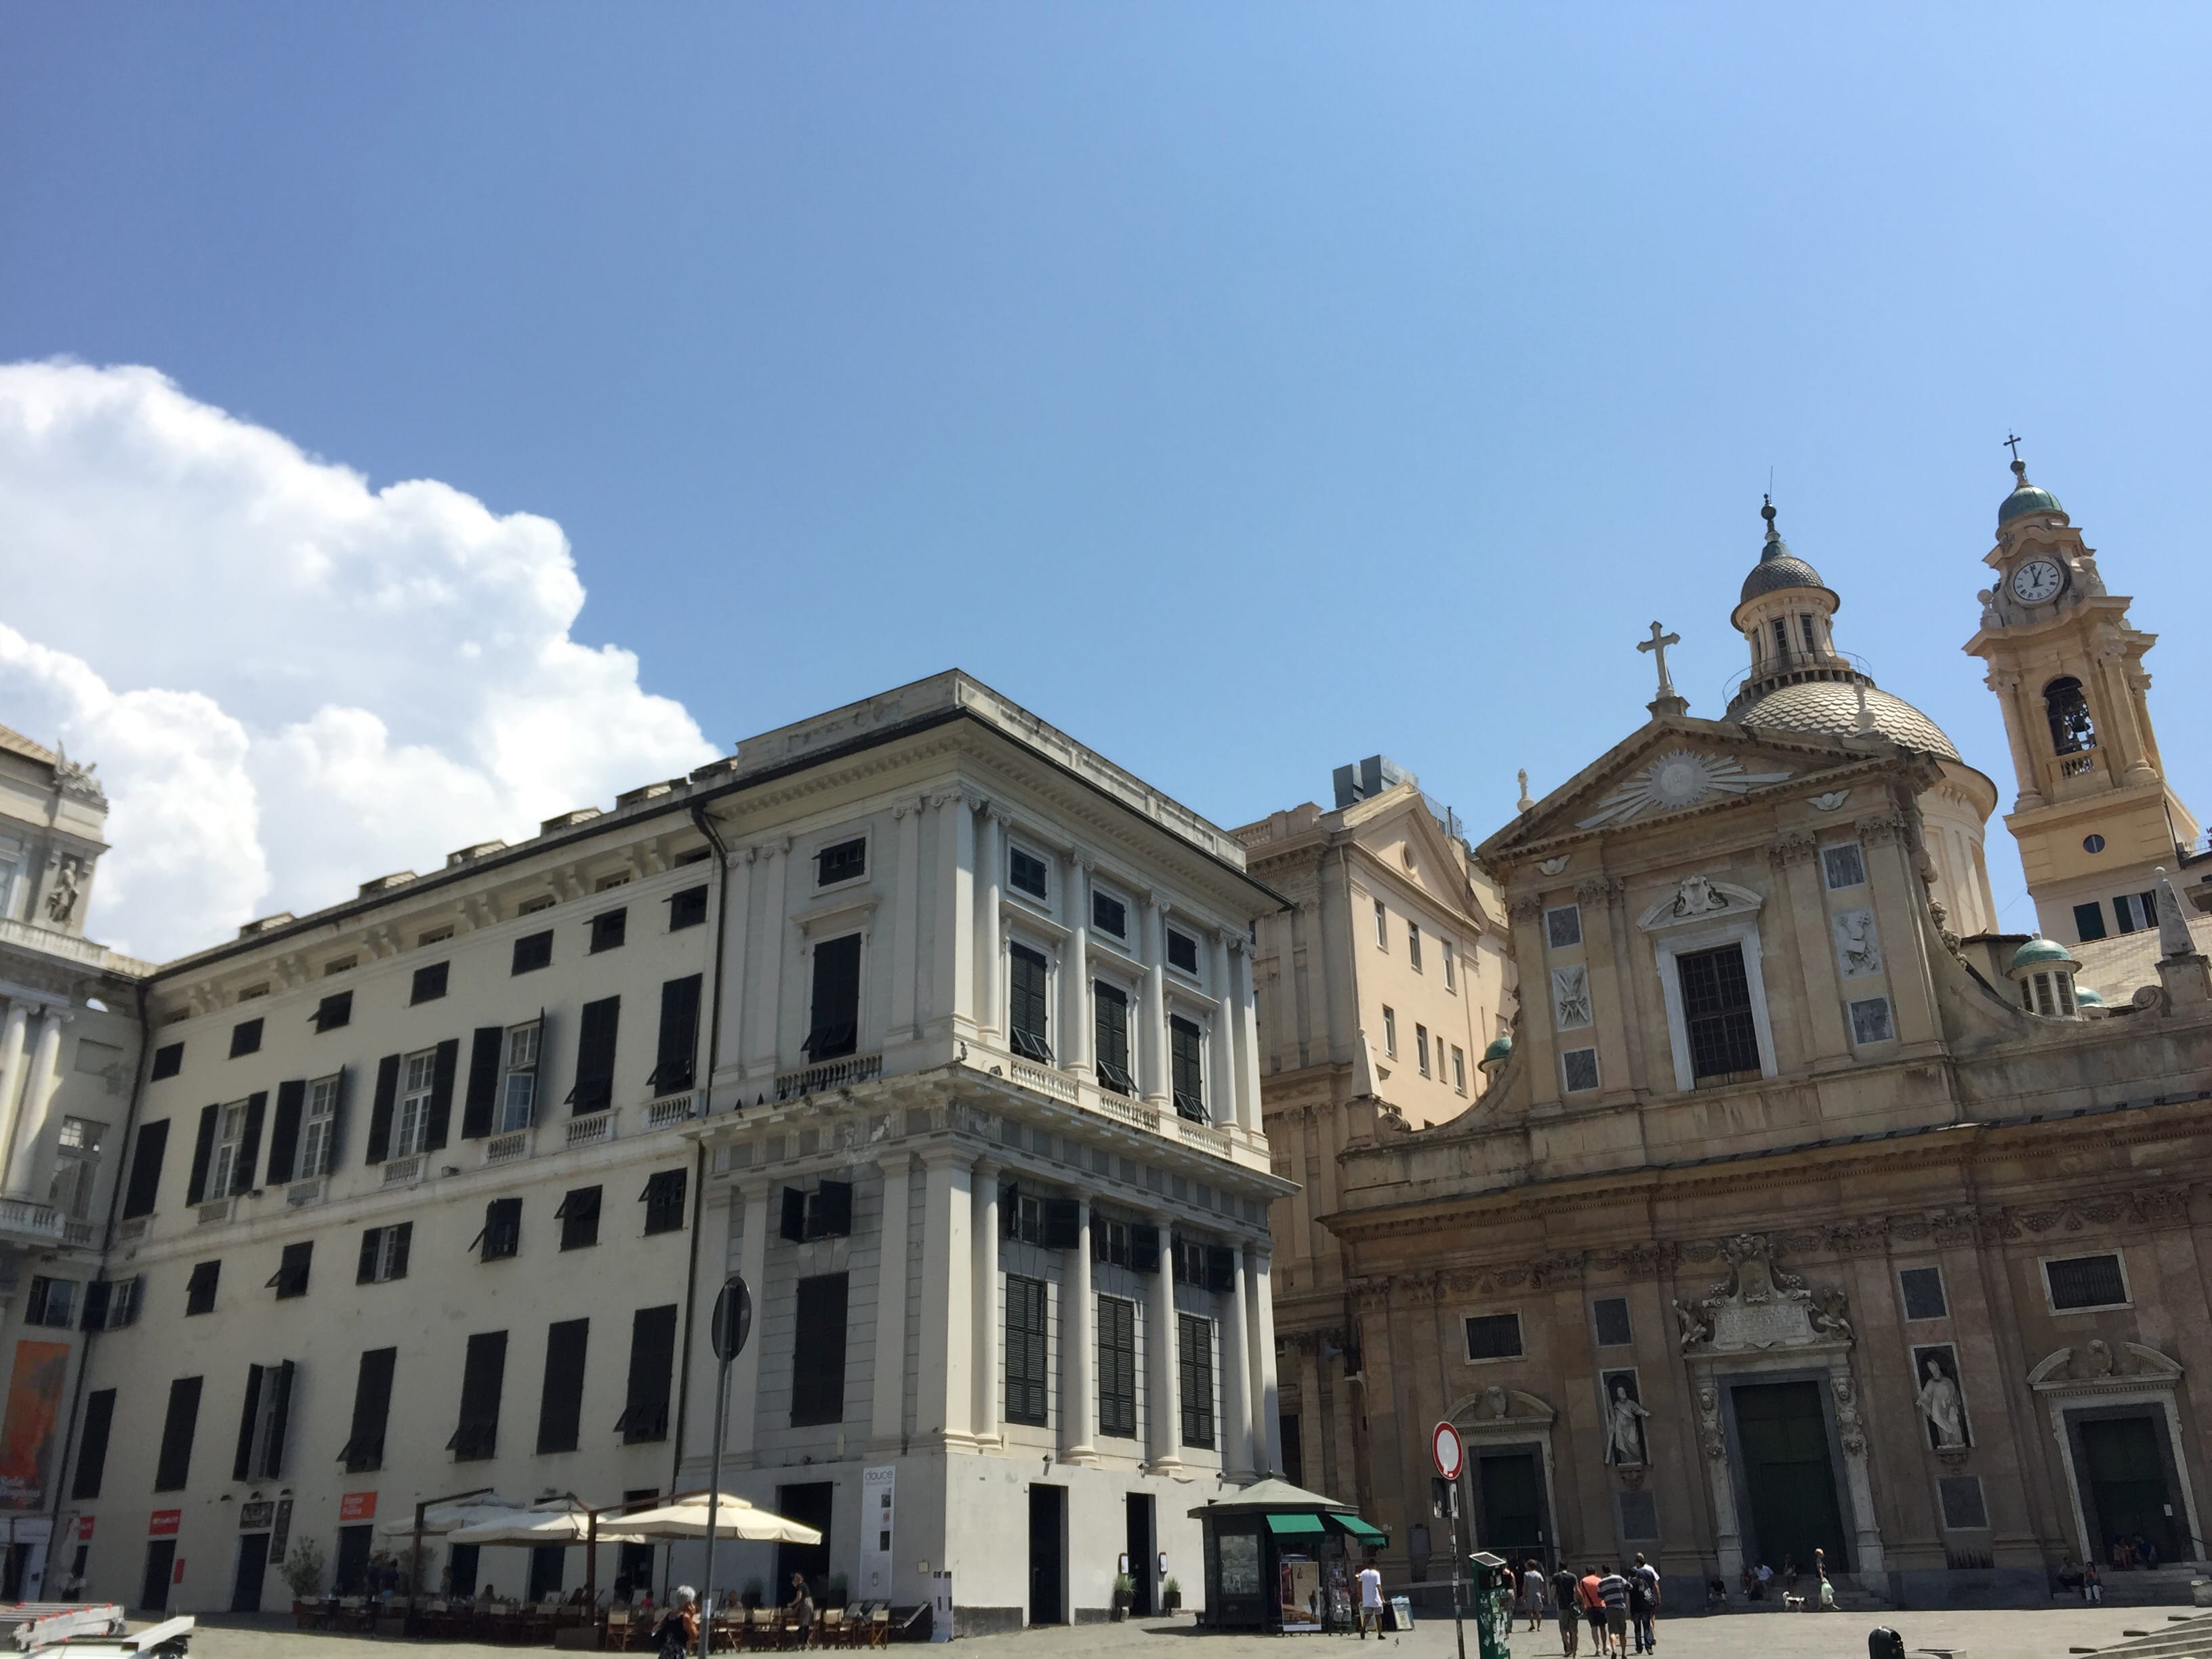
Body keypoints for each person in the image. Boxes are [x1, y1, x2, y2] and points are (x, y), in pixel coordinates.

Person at [1597, 1565, 1629, 1659]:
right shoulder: (1619, 1578)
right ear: (1611, 1570)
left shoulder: (1601, 1583)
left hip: (1610, 1609)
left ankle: (1614, 1650)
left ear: (1603, 1572)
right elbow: (1629, 1586)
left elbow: (1600, 1596)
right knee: (1622, 1633)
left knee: (1612, 1632)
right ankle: (1624, 1653)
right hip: (1621, 1607)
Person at [656, 1587, 699, 1659]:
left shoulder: (670, 1615)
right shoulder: (685, 1617)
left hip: (665, 1652)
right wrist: (691, 1616)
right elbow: (694, 1636)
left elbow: (657, 1628)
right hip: (677, 1653)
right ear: (689, 1602)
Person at [1631, 1553, 1659, 1652]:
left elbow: (1629, 1590)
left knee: (1637, 1627)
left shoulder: (1634, 1572)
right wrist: (1657, 1597)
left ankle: (1639, 1647)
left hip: (1635, 1604)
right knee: (1647, 1625)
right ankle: (1649, 1646)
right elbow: (1656, 1585)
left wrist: (1628, 1607)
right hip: (1647, 1602)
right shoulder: (1650, 1571)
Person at [1578, 1566, 1607, 1659]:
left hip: (1590, 1607)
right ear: (1595, 1572)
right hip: (1601, 1606)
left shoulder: (1583, 1581)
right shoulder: (1600, 1580)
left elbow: (1582, 1594)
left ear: (1586, 1572)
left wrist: (1583, 1604)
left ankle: (1598, 1648)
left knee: (1594, 1628)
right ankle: (1604, 1647)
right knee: (1603, 1628)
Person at [1553, 1563, 1582, 1656]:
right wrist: (1582, 1601)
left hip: (1562, 1606)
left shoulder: (1556, 1577)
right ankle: (1575, 1653)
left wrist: (1553, 1597)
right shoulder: (1573, 1576)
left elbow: (1554, 1589)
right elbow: (1577, 1590)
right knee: (1574, 1630)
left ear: (1559, 1568)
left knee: (1564, 1629)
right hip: (1572, 1606)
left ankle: (1568, 1648)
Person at [1356, 1556, 1383, 1639]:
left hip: (1367, 1600)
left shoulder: (1363, 1573)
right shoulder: (1376, 1574)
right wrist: (1382, 1598)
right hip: (1376, 1600)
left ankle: (1363, 1628)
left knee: (1367, 1616)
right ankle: (1380, 1634)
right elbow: (1379, 1586)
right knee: (1378, 1617)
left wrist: (1360, 1594)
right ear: (1375, 1566)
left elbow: (1359, 1584)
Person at [1523, 1559, 1547, 1632]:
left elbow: (1526, 1585)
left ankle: (1532, 1624)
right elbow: (1541, 1586)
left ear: (1529, 1566)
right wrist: (1542, 1594)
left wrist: (1524, 1594)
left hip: (1529, 1594)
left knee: (1529, 1610)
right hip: (1537, 1594)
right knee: (1538, 1611)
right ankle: (1539, 1627)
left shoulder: (1526, 1574)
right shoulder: (1538, 1575)